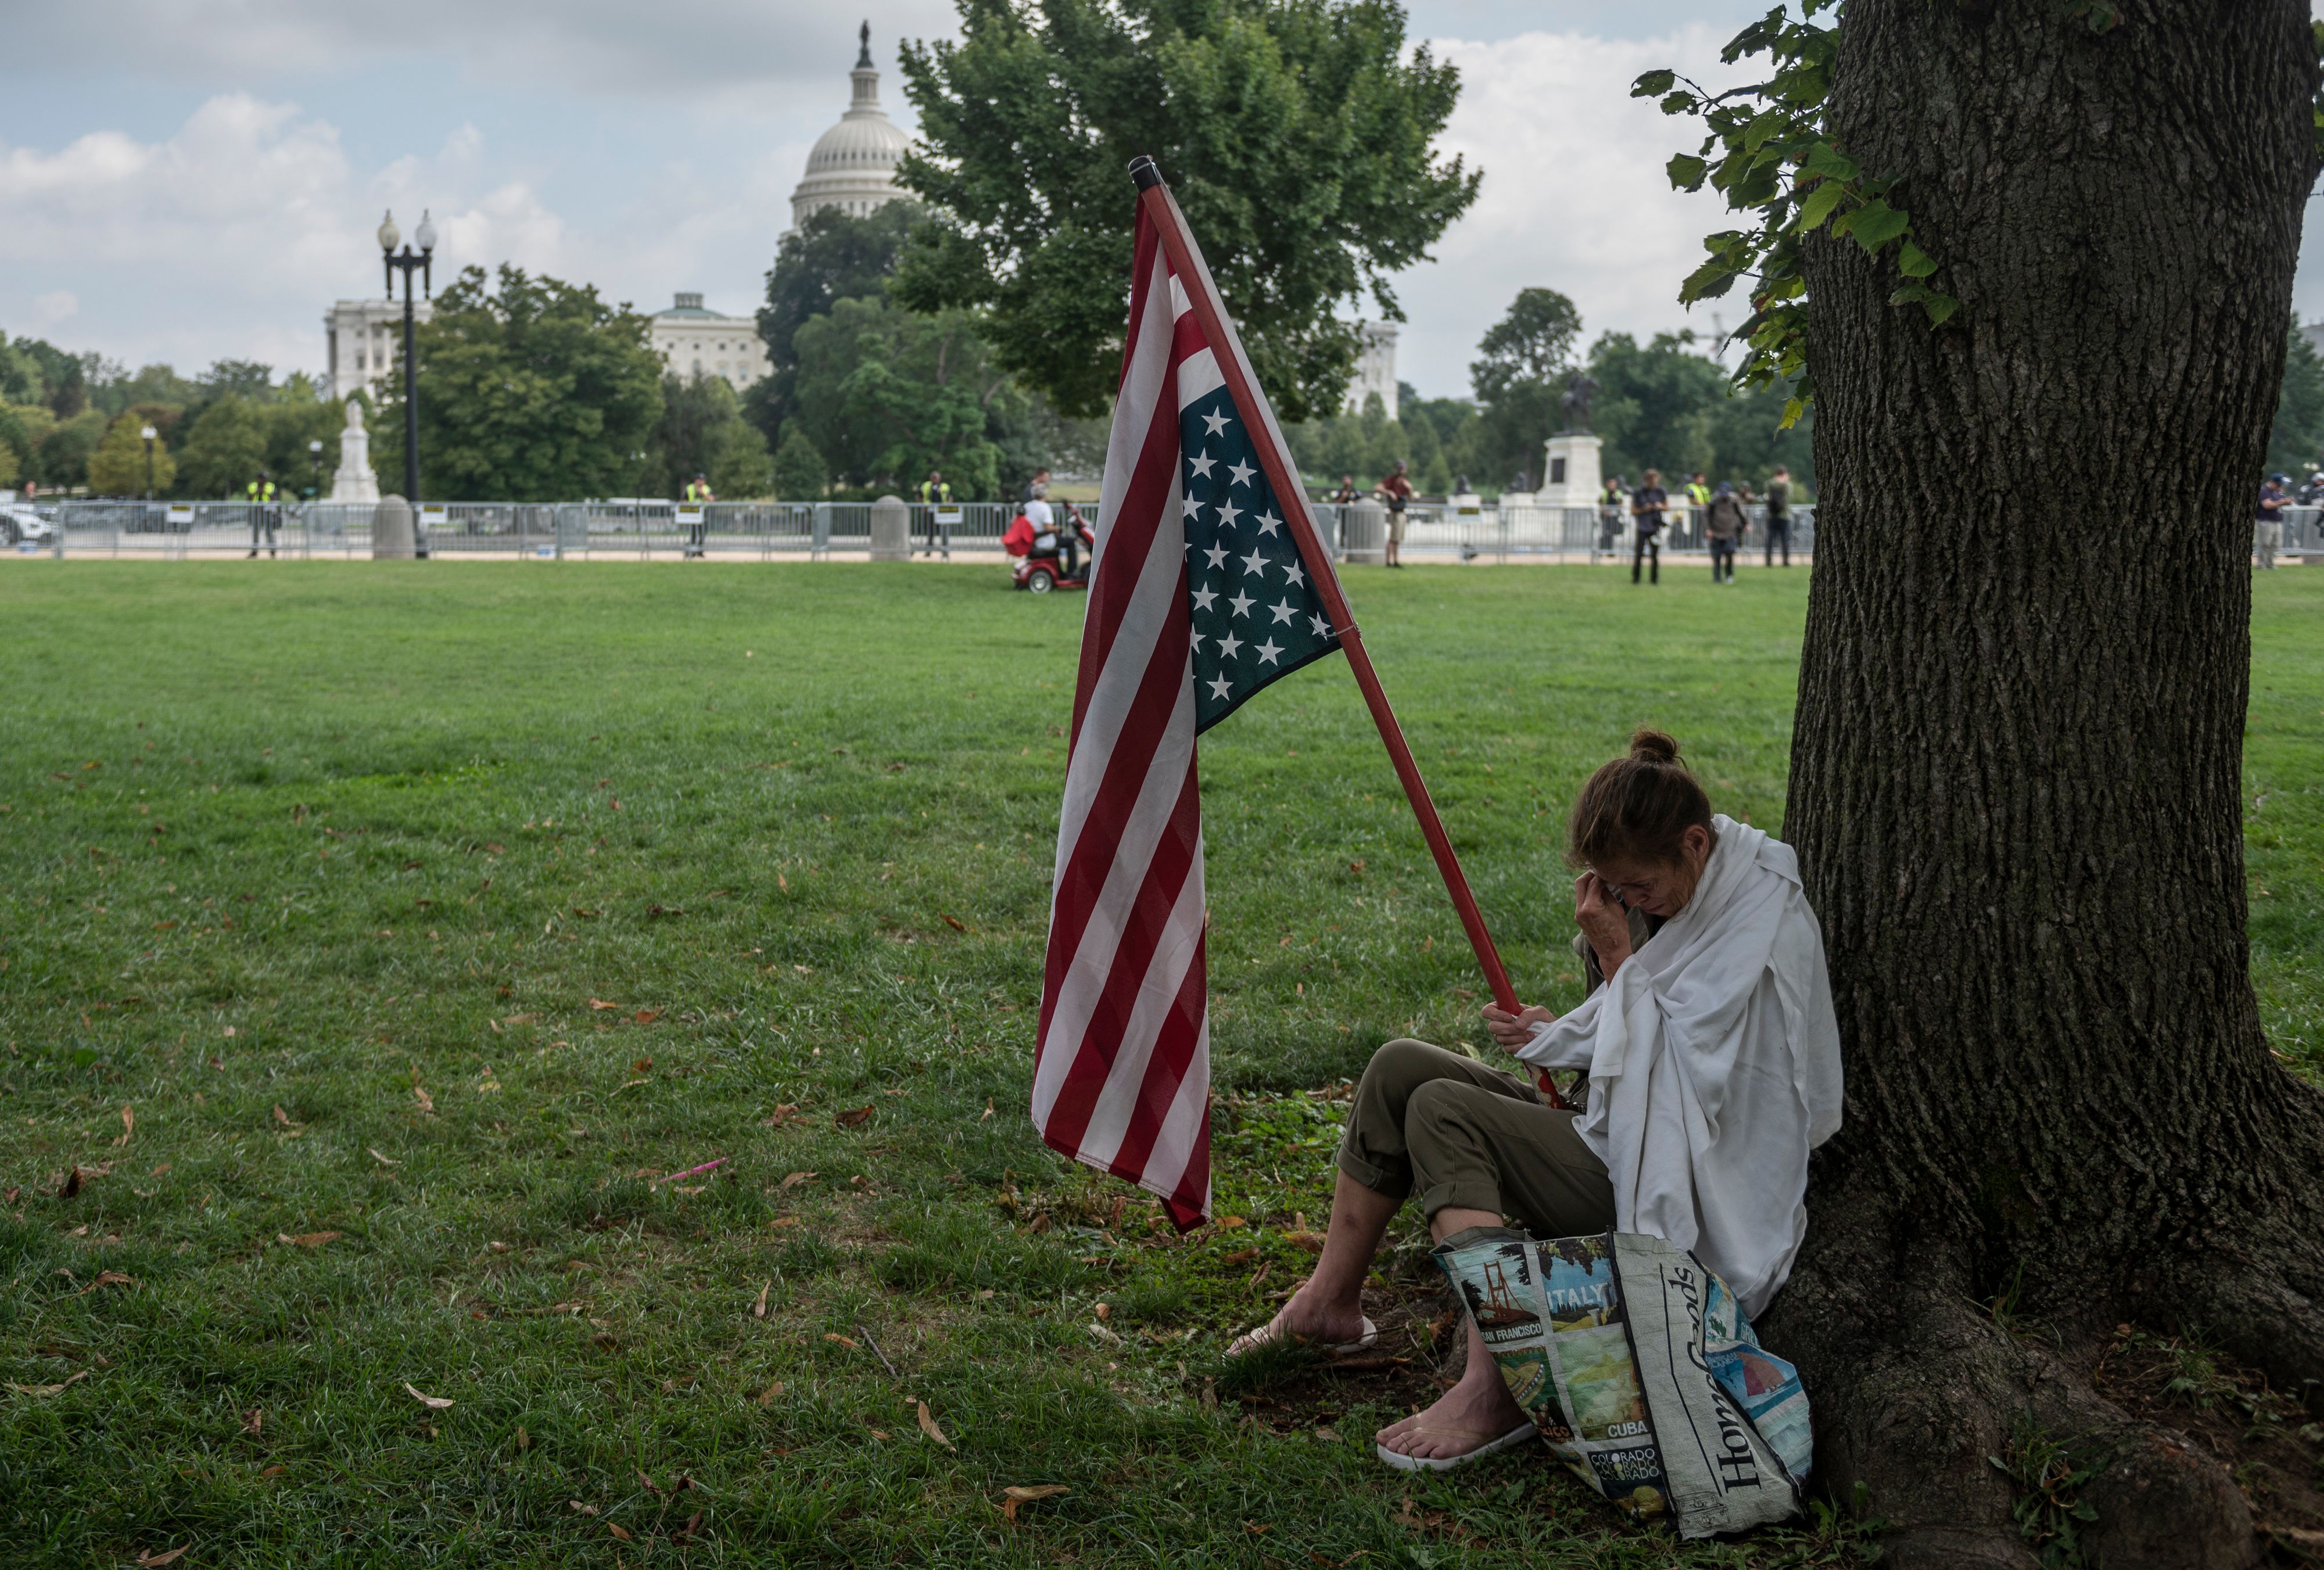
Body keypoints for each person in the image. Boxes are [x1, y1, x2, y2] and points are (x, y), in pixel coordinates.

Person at [1225, 730, 1842, 1471]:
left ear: (1695, 842)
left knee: (1444, 1111)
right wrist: (1562, 1031)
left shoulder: (1761, 915)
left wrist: (1616, 955)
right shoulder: (1701, 888)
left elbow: (1699, 1081)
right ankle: (1329, 1303)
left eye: (1639, 888)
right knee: (1399, 1069)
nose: (1633, 904)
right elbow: (1656, 1020)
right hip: (1623, 1128)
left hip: (1686, 1177)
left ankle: (1498, 1385)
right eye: (1618, 890)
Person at [1025, 479, 1077, 580]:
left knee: (1060, 541)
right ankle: (1071, 573)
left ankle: (1061, 573)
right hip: (1045, 542)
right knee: (1071, 542)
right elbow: (1048, 527)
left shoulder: (1027, 506)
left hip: (1033, 542)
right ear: (1045, 495)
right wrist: (1057, 528)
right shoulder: (1045, 507)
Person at [1704, 481, 1746, 583]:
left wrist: (1746, 524)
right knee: (1717, 557)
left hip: (1730, 532)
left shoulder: (1733, 501)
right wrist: (1708, 529)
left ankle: (1729, 575)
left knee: (1729, 554)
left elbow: (1740, 513)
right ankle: (1717, 578)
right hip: (1716, 533)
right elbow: (1706, 516)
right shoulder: (1713, 502)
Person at [1630, 468, 1667, 584]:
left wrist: (1659, 506)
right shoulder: (1639, 492)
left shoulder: (1661, 491)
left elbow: (1667, 507)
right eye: (1651, 480)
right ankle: (1636, 578)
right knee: (1639, 554)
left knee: (1654, 555)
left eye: (1655, 480)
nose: (1653, 483)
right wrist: (1643, 509)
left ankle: (1654, 579)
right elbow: (1633, 510)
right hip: (1642, 526)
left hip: (1655, 527)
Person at [1375, 461, 1414, 568]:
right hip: (1395, 512)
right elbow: (1378, 488)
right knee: (1393, 539)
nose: (1401, 470)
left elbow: (1411, 498)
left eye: (1403, 468)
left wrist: (1410, 489)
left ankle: (1395, 561)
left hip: (1402, 512)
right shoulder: (1391, 480)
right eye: (1399, 468)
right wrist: (1390, 493)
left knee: (1397, 539)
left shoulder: (1406, 482)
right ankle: (1389, 561)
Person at [918, 468, 953, 558]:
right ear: (931, 478)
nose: (935, 479)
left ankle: (945, 552)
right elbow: (919, 497)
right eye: (933, 478)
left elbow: (950, 497)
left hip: (942, 512)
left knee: (944, 532)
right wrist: (923, 506)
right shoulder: (925, 486)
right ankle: (928, 551)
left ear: (939, 478)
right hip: (930, 512)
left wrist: (949, 507)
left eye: (936, 478)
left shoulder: (945, 487)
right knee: (930, 532)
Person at [1764, 465, 1794, 567]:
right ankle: (1785, 561)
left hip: (1772, 515)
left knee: (1770, 539)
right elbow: (1788, 498)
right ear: (1784, 474)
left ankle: (1768, 561)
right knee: (1785, 540)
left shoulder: (1769, 484)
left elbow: (1767, 497)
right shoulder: (1787, 485)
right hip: (1785, 515)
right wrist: (1785, 482)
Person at [2257, 474, 2287, 571]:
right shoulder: (2264, 491)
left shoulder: (2278, 492)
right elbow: (2267, 505)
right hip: (2266, 521)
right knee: (2265, 543)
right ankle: (2261, 564)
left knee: (2276, 544)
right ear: (2273, 483)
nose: (2281, 487)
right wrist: (2282, 502)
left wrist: (2286, 501)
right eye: (2279, 485)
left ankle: (2270, 563)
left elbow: (2282, 500)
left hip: (2277, 521)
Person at [245, 470, 278, 558]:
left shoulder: (271, 486)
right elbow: (249, 498)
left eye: (265, 478)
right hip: (256, 511)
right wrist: (257, 492)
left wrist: (265, 492)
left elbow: (274, 498)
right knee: (256, 531)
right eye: (263, 478)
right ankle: (254, 551)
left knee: (269, 531)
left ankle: (272, 551)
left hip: (268, 511)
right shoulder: (253, 486)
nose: (264, 480)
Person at [682, 472, 714, 558]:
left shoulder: (707, 489)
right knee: (693, 534)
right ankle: (691, 551)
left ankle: (700, 551)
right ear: (695, 481)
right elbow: (685, 500)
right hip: (693, 514)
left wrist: (703, 494)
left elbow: (711, 500)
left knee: (703, 533)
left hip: (704, 513)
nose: (701, 482)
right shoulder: (690, 488)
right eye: (699, 480)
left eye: (703, 480)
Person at [1598, 476, 1626, 558]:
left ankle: (1608, 549)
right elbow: (1601, 502)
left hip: (1614, 516)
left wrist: (1617, 510)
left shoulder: (1618, 493)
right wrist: (1606, 511)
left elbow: (1621, 502)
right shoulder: (1604, 493)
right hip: (1606, 516)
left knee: (1611, 533)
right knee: (1607, 533)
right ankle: (1605, 549)